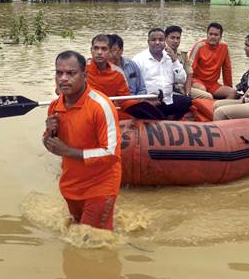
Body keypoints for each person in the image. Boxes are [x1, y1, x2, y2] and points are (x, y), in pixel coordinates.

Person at [43, 50, 121, 231]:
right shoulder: (56, 106)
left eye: (71, 73)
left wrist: (67, 151)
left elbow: (111, 153)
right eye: (59, 73)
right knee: (77, 237)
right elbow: (51, 145)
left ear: (84, 76)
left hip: (101, 185)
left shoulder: (101, 106)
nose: (63, 78)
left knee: (91, 241)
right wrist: (49, 134)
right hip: (70, 185)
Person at [132, 28, 192, 120]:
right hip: (148, 102)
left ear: (165, 42)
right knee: (141, 109)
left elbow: (182, 79)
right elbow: (132, 86)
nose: (157, 42)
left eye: (160, 40)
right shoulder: (138, 60)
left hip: (168, 99)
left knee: (187, 101)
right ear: (148, 42)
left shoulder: (170, 57)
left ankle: (170, 121)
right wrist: (144, 99)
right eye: (154, 40)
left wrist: (175, 60)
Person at [187, 22, 236, 99]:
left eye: (216, 35)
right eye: (210, 34)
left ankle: (221, 109)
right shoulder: (199, 46)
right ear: (207, 35)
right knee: (203, 90)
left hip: (213, 84)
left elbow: (227, 69)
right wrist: (187, 89)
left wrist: (228, 86)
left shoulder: (224, 47)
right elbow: (189, 68)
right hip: (197, 81)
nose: (212, 37)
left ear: (220, 37)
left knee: (232, 92)